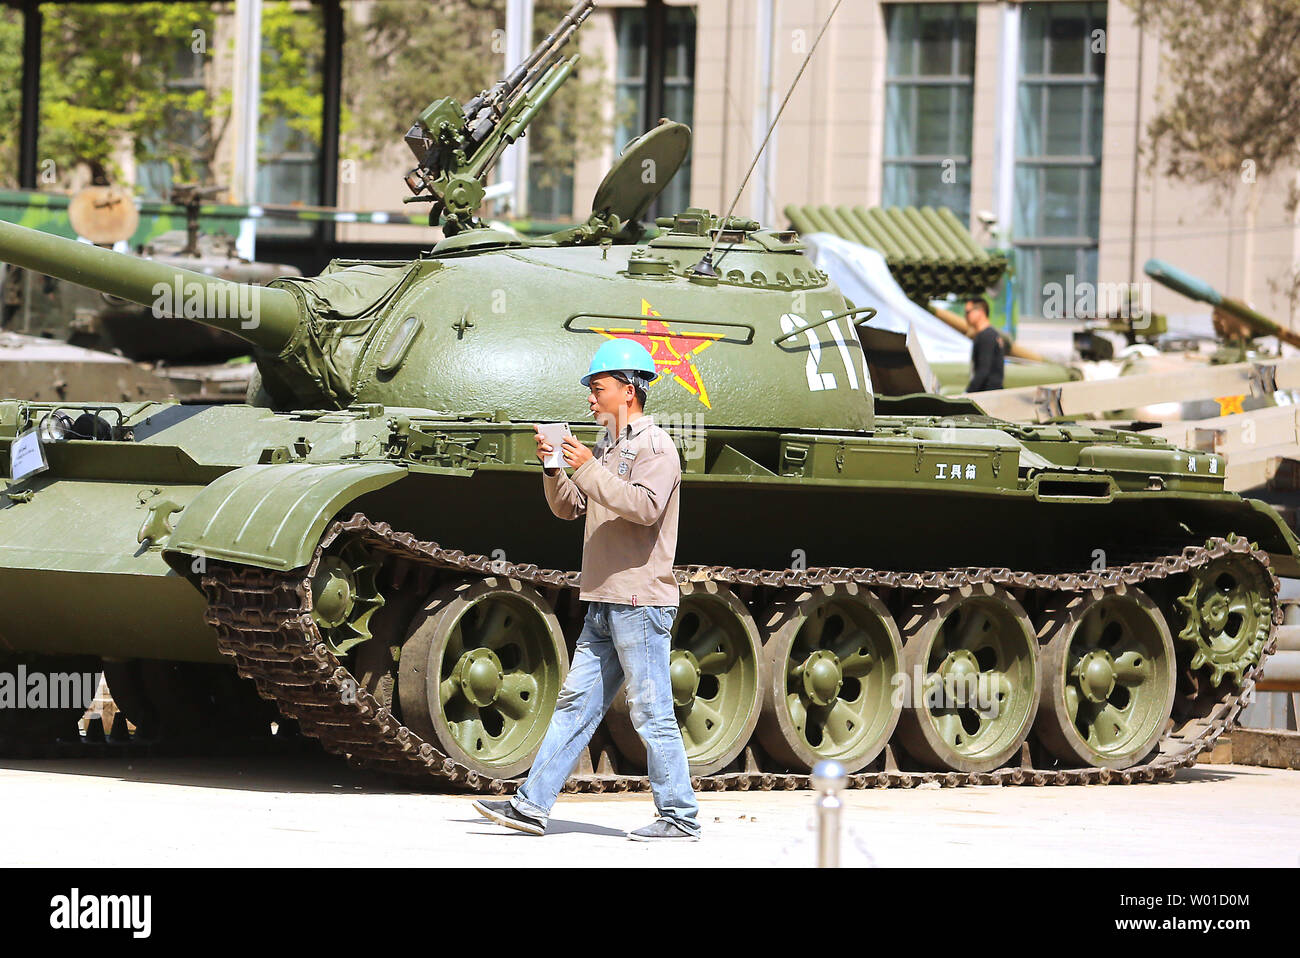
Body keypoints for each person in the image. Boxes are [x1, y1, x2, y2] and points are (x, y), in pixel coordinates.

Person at [472, 338, 701, 841]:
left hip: (640, 601)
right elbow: (569, 507)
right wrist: (555, 468)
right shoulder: (603, 448)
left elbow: (644, 508)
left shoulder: (655, 446)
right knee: (576, 706)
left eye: (598, 390)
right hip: (603, 598)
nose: (591, 400)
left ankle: (679, 816)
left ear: (629, 390)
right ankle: (531, 806)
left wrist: (586, 466)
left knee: (651, 709)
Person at [964, 296, 1005, 392]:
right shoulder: (990, 334)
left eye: (968, 312)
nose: (966, 316)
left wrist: (968, 393)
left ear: (981, 312)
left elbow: (983, 370)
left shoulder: (986, 336)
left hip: (988, 395)